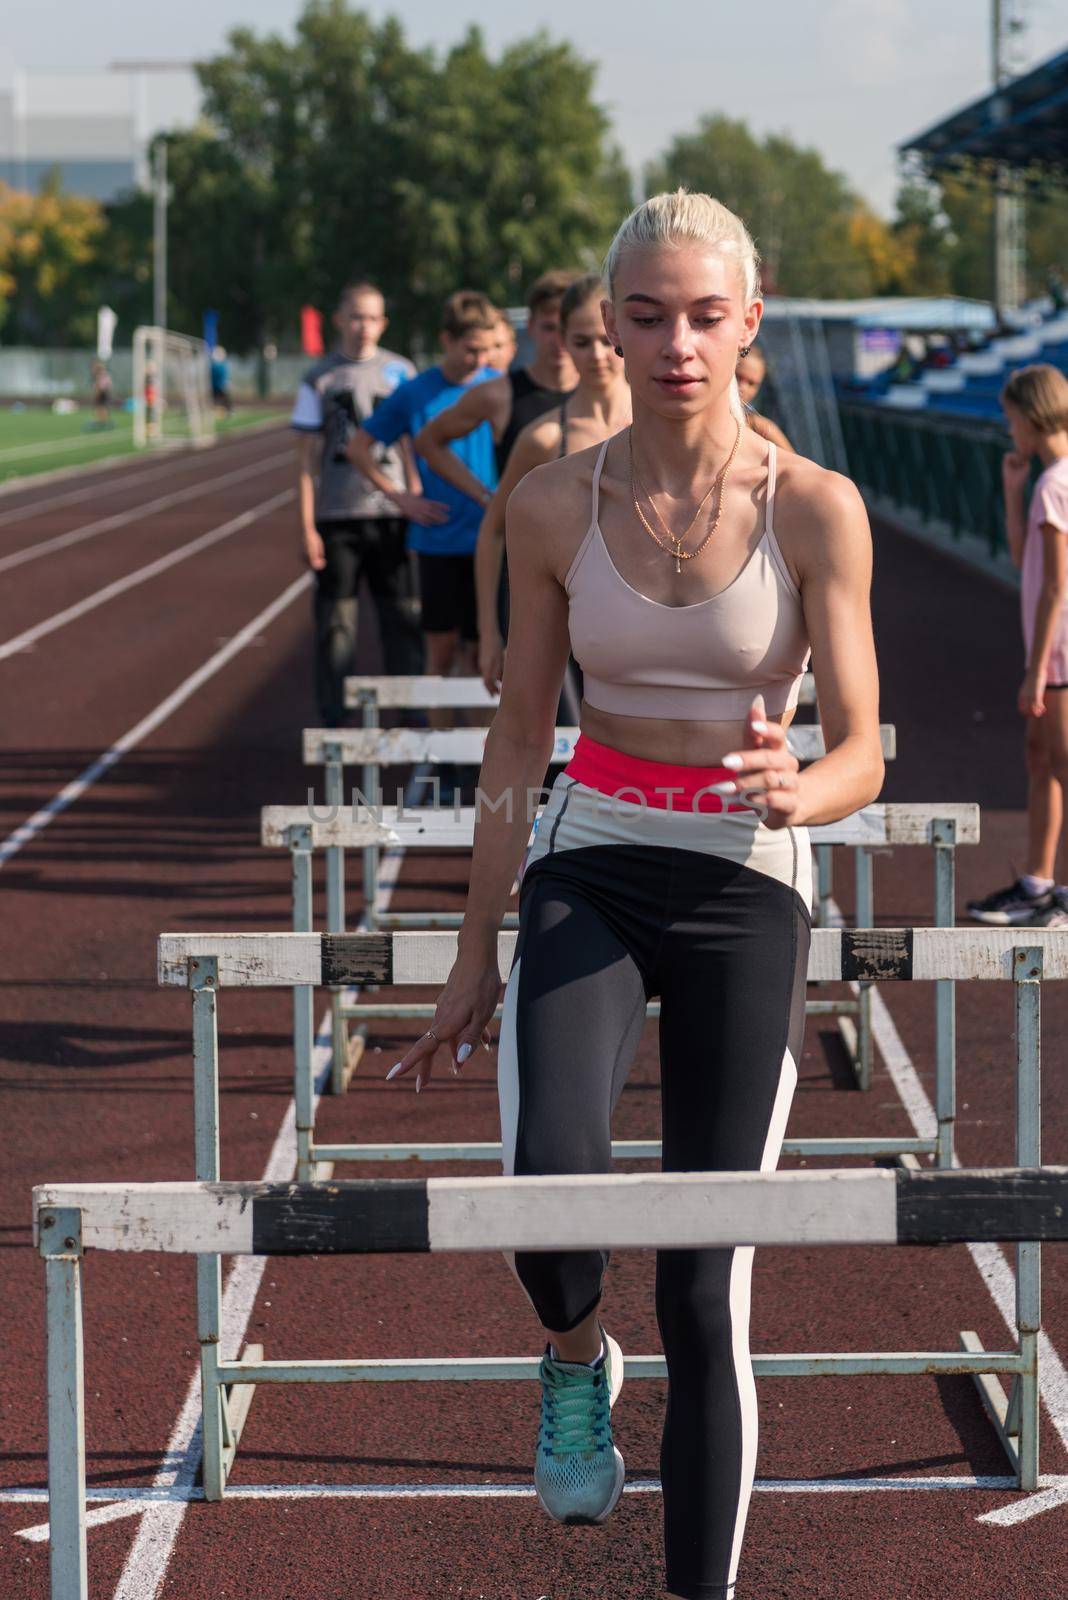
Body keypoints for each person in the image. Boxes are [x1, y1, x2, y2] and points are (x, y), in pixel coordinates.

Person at [385, 190, 883, 1600]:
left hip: (742, 875)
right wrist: (472, 943)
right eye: (647, 314)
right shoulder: (554, 505)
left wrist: (809, 790)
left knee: (704, 1286)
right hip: (590, 853)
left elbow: (854, 741)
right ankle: (569, 1358)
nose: (676, 342)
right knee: (549, 1196)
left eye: (704, 316)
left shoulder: (817, 511)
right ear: (608, 327)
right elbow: (515, 739)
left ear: (751, 327)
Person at [347, 289, 501, 792]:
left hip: (491, 541)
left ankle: (477, 758)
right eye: (470, 351)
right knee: (440, 651)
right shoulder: (416, 392)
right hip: (437, 541)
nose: (478, 361)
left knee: (483, 657)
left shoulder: (498, 386)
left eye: (485, 351)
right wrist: (401, 499)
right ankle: (443, 754)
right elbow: (360, 447)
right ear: (446, 341)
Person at [474, 274, 631, 696]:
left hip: (641, 628)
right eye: (581, 342)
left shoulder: (666, 426)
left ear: (620, 332)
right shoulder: (543, 438)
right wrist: (490, 634)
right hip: (561, 631)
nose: (598, 355)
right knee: (556, 754)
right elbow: (493, 530)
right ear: (562, 341)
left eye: (605, 340)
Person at [413, 270, 579, 639]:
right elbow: (427, 442)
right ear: (532, 327)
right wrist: (484, 495)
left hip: (590, 564)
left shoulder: (609, 395)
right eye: (550, 327)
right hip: (521, 566)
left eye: (569, 326)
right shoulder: (499, 393)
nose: (560, 339)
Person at [291, 280, 426, 727]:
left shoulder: (402, 372)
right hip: (338, 514)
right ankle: (334, 716)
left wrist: (413, 491)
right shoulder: (319, 377)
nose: (363, 326)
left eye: (372, 317)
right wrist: (307, 526)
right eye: (355, 316)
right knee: (336, 623)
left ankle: (412, 708)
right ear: (339, 319)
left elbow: (411, 442)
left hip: (392, 516)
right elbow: (307, 460)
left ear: (383, 323)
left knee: (402, 614)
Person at [967, 364, 1068, 929]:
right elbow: (1023, 558)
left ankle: (1058, 894)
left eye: (1012, 421)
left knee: (1062, 765)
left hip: (1059, 652)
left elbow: (1056, 584)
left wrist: (1036, 670)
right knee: (1042, 760)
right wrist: (1011, 490)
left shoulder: (1057, 483)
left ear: (1030, 416)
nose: (1010, 432)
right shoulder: (1050, 479)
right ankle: (1037, 882)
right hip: (1052, 647)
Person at [734, 345, 794, 452]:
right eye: (738, 376)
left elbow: (797, 464)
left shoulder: (759, 428)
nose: (742, 387)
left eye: (751, 383)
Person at [210, 346, 234, 415]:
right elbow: (223, 376)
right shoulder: (218, 365)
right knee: (222, 399)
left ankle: (228, 411)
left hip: (218, 386)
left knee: (224, 399)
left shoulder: (220, 365)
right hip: (218, 386)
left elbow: (224, 376)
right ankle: (229, 411)